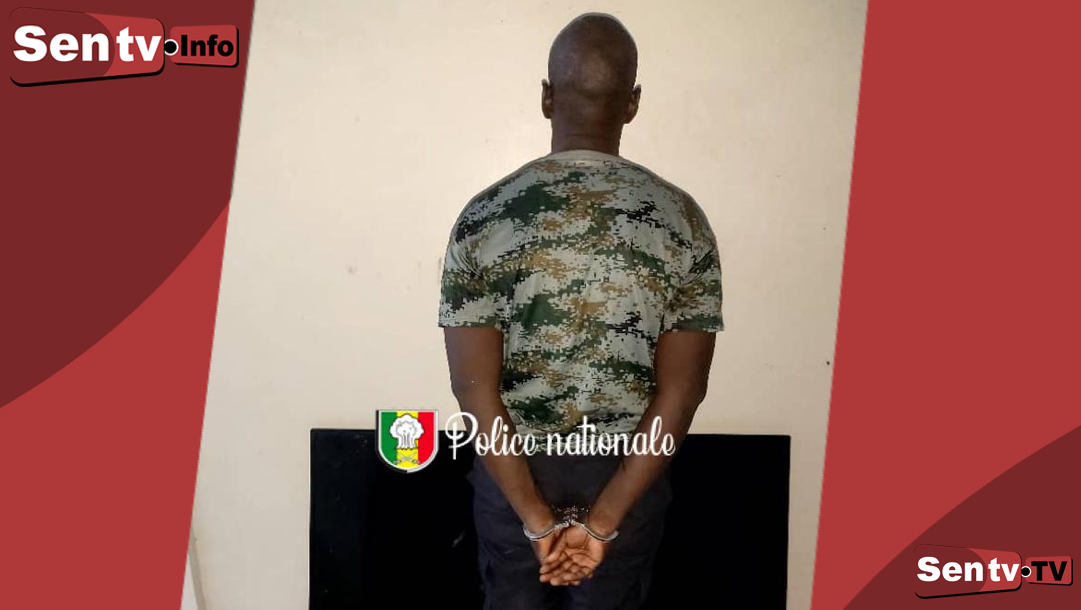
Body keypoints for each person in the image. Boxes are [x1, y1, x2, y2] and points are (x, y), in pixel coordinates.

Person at [438, 13, 723, 610]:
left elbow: (473, 388)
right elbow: (683, 391)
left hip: (513, 471)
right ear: (632, 103)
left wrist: (535, 519)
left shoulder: (484, 216)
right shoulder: (682, 221)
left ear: (547, 97)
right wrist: (605, 522)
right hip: (628, 472)